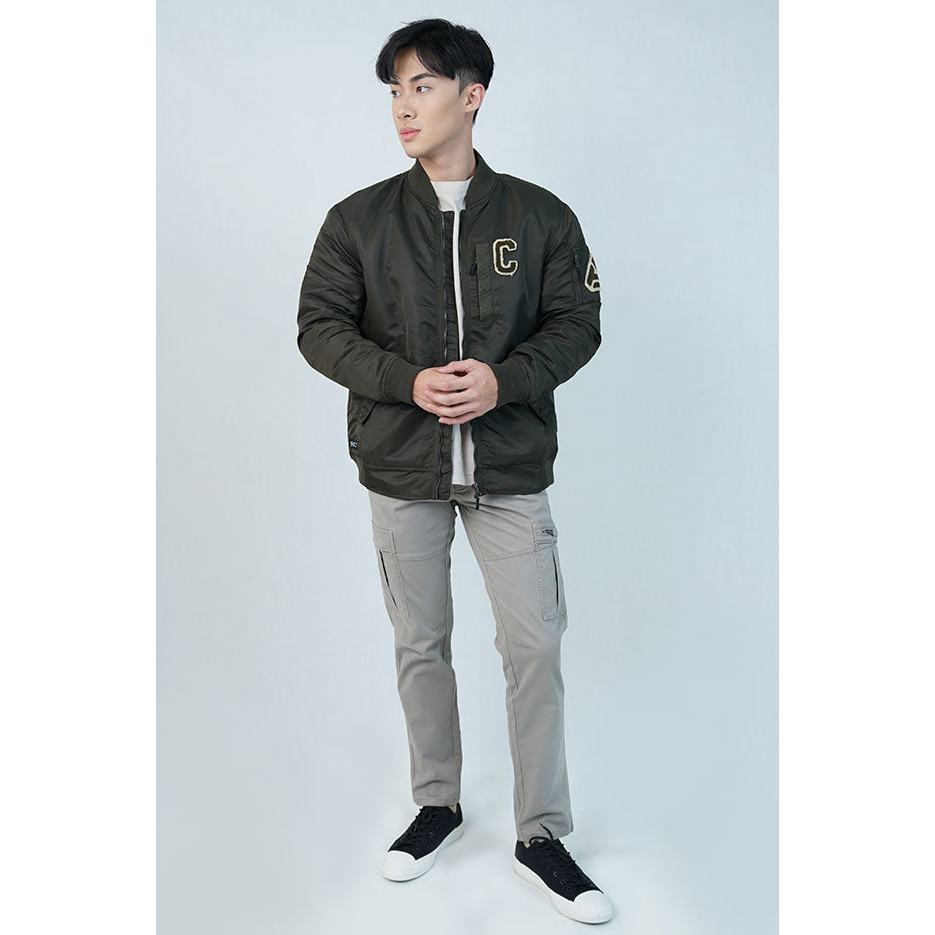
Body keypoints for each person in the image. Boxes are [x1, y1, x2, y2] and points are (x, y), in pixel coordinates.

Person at [296, 18, 610, 925]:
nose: (404, 106)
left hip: (509, 466)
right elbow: (319, 326)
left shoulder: (539, 216)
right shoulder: (356, 220)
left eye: (423, 86)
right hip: (401, 468)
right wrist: (406, 380)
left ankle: (541, 833)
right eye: (395, 89)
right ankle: (437, 803)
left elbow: (577, 323)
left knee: (534, 644)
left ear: (472, 97)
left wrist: (505, 379)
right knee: (419, 642)